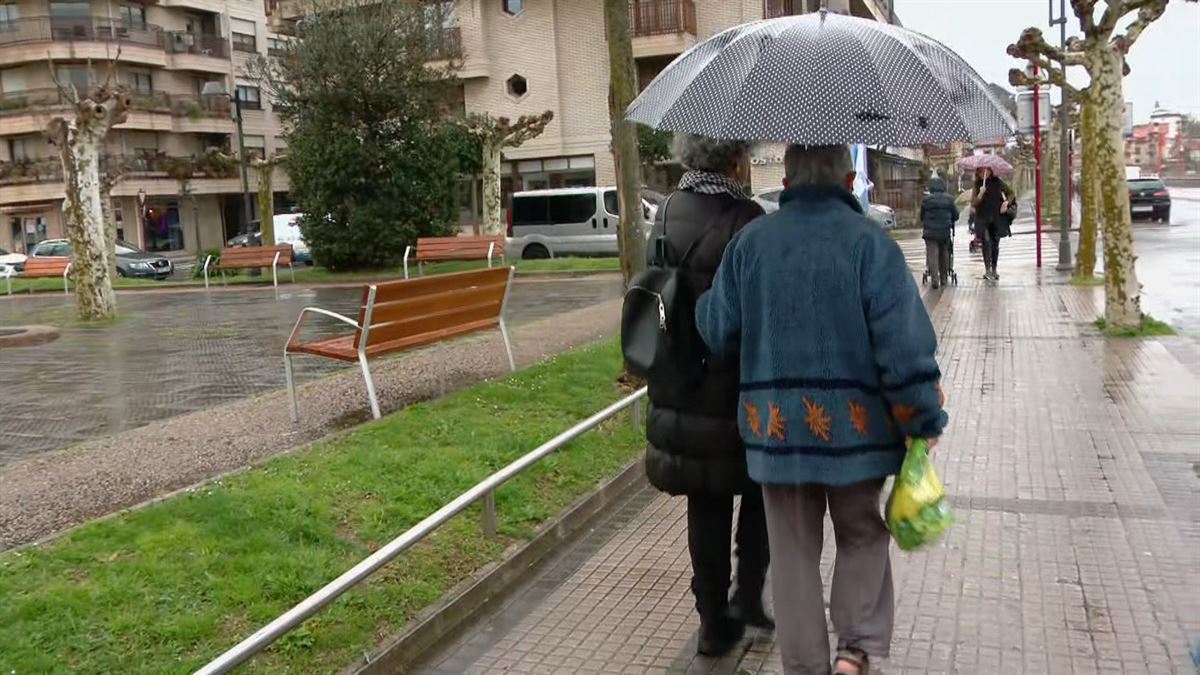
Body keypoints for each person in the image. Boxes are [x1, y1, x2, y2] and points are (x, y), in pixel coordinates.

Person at [696, 144, 948, 675]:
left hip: (776, 433)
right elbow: (905, 349)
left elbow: (717, 328)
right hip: (861, 434)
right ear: (851, 177)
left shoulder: (750, 243)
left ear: (784, 179)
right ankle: (853, 651)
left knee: (791, 555)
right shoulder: (871, 246)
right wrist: (923, 419)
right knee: (862, 533)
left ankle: (806, 667)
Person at [642, 134, 772, 657]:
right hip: (737, 385)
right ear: (737, 159)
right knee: (759, 493)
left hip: (680, 379)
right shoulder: (750, 219)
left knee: (706, 501)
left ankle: (712, 620)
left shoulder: (667, 210)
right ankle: (748, 595)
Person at [971, 167, 1015, 280]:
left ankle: (994, 268)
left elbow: (1010, 193)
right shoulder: (977, 184)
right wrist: (980, 194)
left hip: (996, 217)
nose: (983, 173)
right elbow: (974, 203)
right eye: (981, 171)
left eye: (986, 170)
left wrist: (1006, 202)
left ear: (990, 171)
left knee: (995, 243)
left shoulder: (997, 182)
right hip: (982, 218)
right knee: (985, 242)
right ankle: (987, 269)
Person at [920, 176, 959, 289]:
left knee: (932, 255)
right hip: (944, 231)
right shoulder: (949, 199)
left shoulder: (926, 200)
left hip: (930, 233)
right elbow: (956, 216)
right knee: (944, 254)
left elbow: (922, 216)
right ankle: (944, 278)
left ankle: (934, 280)